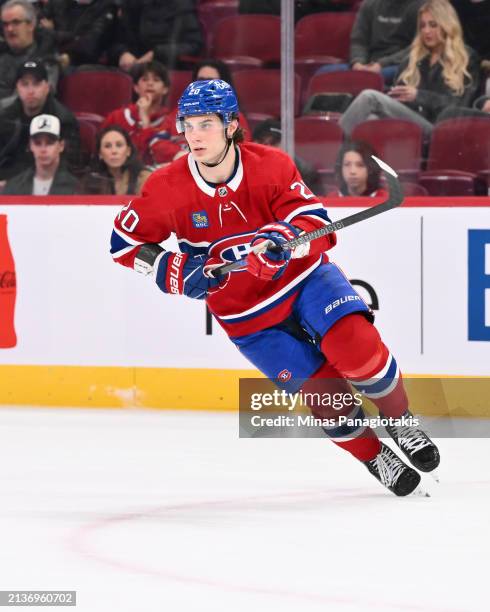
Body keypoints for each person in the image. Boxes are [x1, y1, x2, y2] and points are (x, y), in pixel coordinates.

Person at [110, 78, 441, 497]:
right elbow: (123, 245)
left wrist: (285, 242)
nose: (194, 135)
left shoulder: (270, 165)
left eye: (206, 124)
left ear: (231, 125)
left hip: (306, 282)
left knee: (356, 346)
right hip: (247, 318)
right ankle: (374, 455)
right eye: (188, 124)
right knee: (325, 396)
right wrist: (172, 269)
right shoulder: (165, 188)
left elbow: (318, 225)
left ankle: (401, 420)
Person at [339, 0, 481, 138]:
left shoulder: (466, 59)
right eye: (423, 26)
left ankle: (335, 148)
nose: (426, 31)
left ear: (447, 25)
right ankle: (355, 160)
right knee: (371, 119)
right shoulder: (413, 58)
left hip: (438, 129)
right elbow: (399, 97)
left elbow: (460, 107)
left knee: (369, 97)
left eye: (433, 25)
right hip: (410, 122)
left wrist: (418, 96)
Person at [0, 59, 80, 181]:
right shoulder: (5, 114)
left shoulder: (63, 119)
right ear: (17, 88)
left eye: (36, 84)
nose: (30, 91)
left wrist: (15, 184)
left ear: (47, 87)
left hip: (46, 181)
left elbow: (69, 165)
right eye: (25, 84)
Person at [315, 0, 424, 85]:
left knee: (373, 79)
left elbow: (418, 47)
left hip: (398, 65)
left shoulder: (421, 7)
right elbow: (359, 41)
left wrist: (381, 64)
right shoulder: (370, 4)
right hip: (367, 64)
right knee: (323, 73)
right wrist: (358, 63)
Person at [102, 61, 181, 166]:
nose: (150, 83)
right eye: (145, 79)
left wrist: (145, 119)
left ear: (165, 89)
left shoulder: (170, 121)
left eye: (156, 80)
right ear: (136, 87)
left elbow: (151, 156)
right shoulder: (117, 117)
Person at [109, 0, 203, 72]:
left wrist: (156, 54)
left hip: (164, 69)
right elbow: (114, 40)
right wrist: (122, 53)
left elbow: (194, 45)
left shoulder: (181, 4)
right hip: (130, 68)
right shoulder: (128, 4)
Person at [3, 113, 78, 194]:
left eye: (49, 143)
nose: (43, 149)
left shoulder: (75, 188)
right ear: (30, 146)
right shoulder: (13, 187)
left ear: (61, 146)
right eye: (37, 143)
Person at [0, 0, 58, 105]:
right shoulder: (2, 54)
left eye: (16, 22)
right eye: (5, 24)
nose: (9, 29)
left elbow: (30, 101)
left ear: (31, 25)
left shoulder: (47, 59)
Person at [38, 0, 119, 68]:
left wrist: (52, 32)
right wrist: (74, 36)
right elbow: (34, 27)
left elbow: (89, 43)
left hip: (80, 62)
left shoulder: (106, 6)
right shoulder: (57, 2)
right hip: (47, 53)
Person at [252, 118, 322, 194]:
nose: (269, 147)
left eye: (274, 142)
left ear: (285, 143)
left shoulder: (305, 172)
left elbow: (315, 201)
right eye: (262, 142)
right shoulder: (243, 170)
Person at [82, 125, 151, 195]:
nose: (114, 151)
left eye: (119, 145)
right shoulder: (91, 181)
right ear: (100, 154)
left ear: (128, 151)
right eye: (107, 146)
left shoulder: (144, 178)